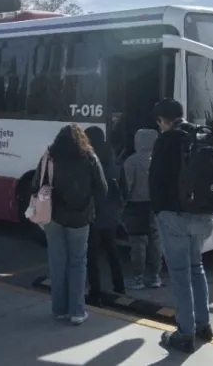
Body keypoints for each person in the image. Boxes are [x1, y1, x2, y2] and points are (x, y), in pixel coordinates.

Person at [149, 99, 213, 353]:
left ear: (162, 121)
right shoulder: (202, 135)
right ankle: (203, 325)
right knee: (196, 268)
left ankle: (185, 333)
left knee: (179, 275)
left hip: (174, 217)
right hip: (202, 216)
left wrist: (157, 212)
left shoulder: (165, 141)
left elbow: (155, 181)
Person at [32, 123, 108, 325]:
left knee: (58, 263)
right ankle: (77, 311)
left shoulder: (50, 156)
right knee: (78, 263)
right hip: (81, 219)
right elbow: (102, 188)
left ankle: (59, 310)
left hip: (53, 217)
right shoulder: (90, 158)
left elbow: (35, 184)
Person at [84, 126, 125, 304]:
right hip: (111, 214)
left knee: (91, 256)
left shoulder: (90, 161)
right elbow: (123, 188)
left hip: (94, 213)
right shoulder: (114, 160)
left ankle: (95, 292)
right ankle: (120, 286)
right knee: (112, 251)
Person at [122, 128, 163, 290]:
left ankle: (137, 278)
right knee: (155, 242)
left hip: (136, 206)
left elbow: (126, 187)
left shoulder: (132, 161)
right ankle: (154, 277)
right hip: (156, 206)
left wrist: (121, 208)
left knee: (138, 243)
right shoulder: (159, 160)